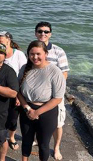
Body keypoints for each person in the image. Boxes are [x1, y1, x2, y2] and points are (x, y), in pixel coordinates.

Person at [18, 40, 66, 161]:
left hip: (47, 112)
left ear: (46, 53)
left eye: (38, 54)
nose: (35, 57)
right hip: (27, 109)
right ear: (28, 55)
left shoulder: (55, 71)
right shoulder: (25, 68)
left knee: (43, 144)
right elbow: (18, 92)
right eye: (31, 54)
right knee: (26, 140)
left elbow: (58, 98)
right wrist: (27, 108)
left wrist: (37, 112)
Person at [34, 22, 69, 160]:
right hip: (37, 95)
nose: (43, 34)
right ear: (35, 33)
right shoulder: (32, 49)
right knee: (37, 119)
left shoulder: (58, 51)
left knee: (58, 123)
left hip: (54, 95)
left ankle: (56, 147)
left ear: (50, 34)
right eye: (40, 31)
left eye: (46, 31)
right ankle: (39, 140)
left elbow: (64, 73)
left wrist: (54, 92)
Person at [0, 31, 27, 150]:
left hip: (14, 93)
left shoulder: (19, 55)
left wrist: (19, 95)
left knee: (13, 118)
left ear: (8, 39)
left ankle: (11, 137)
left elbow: (23, 76)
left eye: (0, 37)